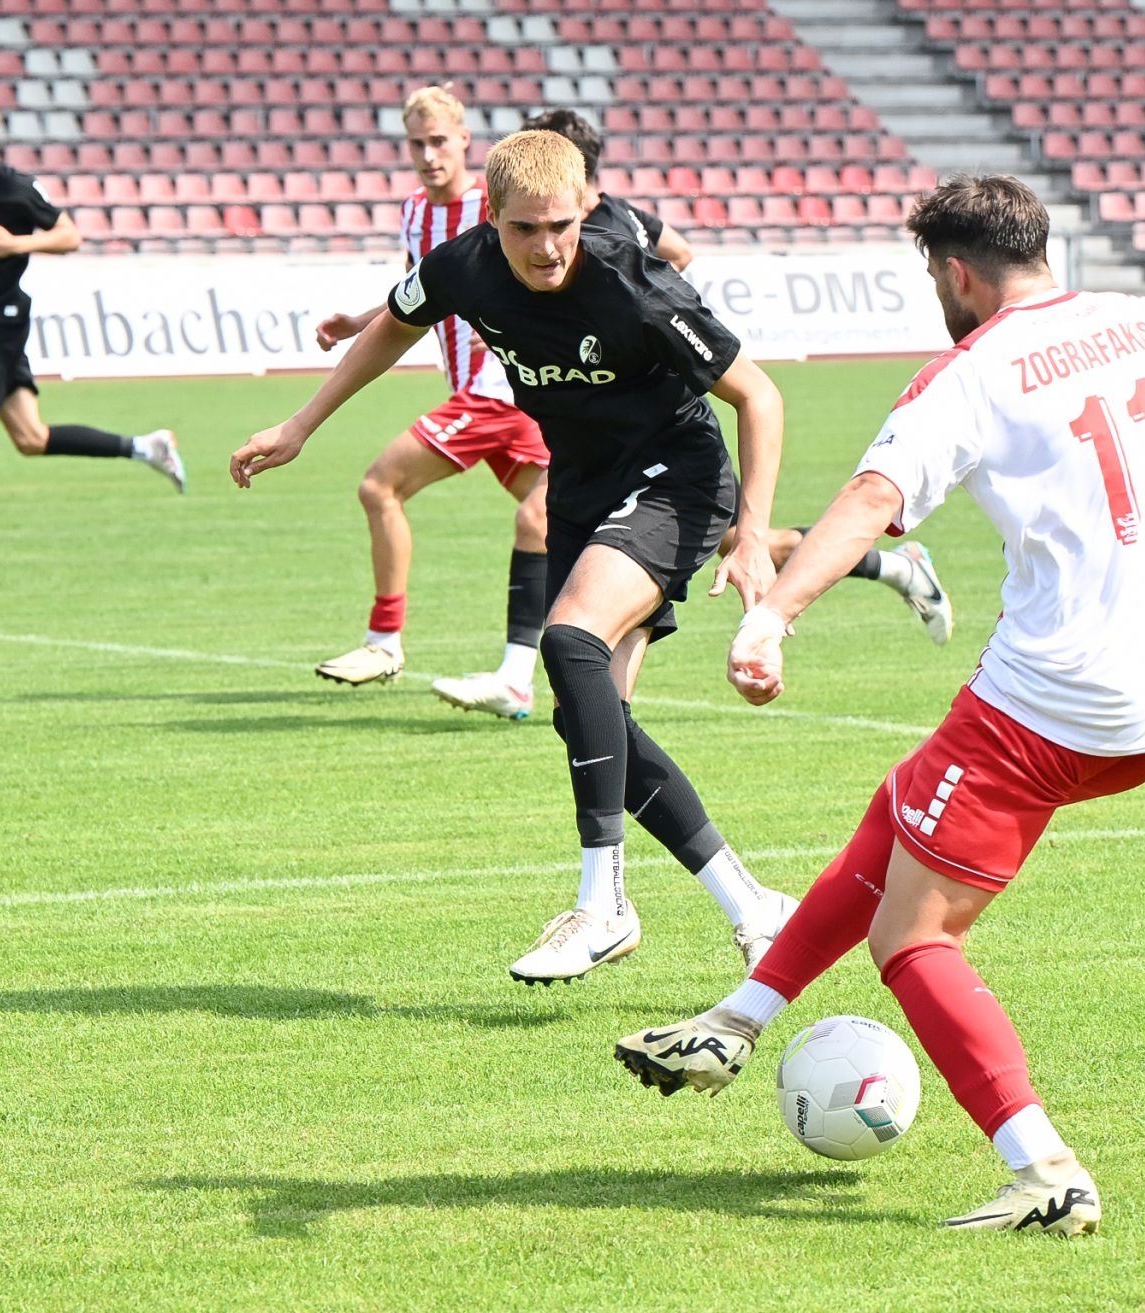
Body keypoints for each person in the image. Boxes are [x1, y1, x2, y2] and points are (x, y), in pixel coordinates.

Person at [613, 175, 1145, 1236]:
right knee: (902, 806)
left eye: (934, 279)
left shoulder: (972, 373)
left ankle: (1044, 1166)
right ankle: (734, 1021)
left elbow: (872, 501)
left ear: (956, 273)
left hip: (1048, 699)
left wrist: (771, 614)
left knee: (912, 938)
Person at [231, 130, 797, 982]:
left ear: (585, 210)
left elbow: (758, 394)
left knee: (567, 640)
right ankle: (754, 906)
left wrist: (752, 534)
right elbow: (396, 323)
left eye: (562, 226)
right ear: (490, 216)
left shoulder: (634, 286)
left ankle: (601, 906)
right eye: (525, 228)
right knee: (591, 718)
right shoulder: (464, 265)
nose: (546, 247)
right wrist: (300, 424)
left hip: (674, 481)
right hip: (581, 489)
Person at [517, 106, 956, 646]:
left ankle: (526, 669)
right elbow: (679, 251)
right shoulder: (622, 212)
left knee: (540, 520)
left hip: (651, 432)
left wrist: (648, 330)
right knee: (743, 541)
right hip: (642, 428)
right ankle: (896, 567)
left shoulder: (595, 238)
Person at [308, 86, 551, 719]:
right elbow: (419, 291)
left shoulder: (494, 206)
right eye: (416, 144)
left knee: (379, 486)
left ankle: (384, 641)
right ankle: (773, 547)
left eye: (439, 141)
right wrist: (359, 322)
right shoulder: (415, 211)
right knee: (566, 514)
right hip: (481, 396)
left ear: (465, 140)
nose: (428, 154)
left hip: (497, 389)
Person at [0, 90, 183, 575]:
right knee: (31, 438)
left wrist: (18, 243)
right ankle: (146, 446)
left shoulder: (15, 187)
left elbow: (70, 235)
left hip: (1, 322)